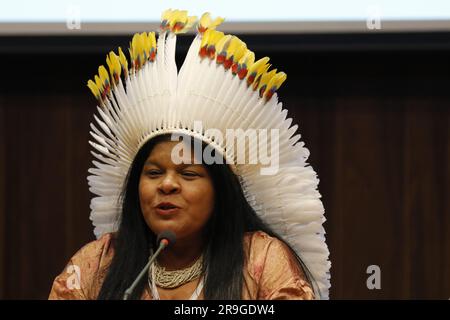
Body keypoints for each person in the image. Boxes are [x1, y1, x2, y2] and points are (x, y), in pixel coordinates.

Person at [49, 9, 330, 300]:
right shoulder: (95, 265)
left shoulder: (261, 260)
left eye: (188, 173)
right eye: (154, 173)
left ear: (221, 190)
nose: (166, 185)